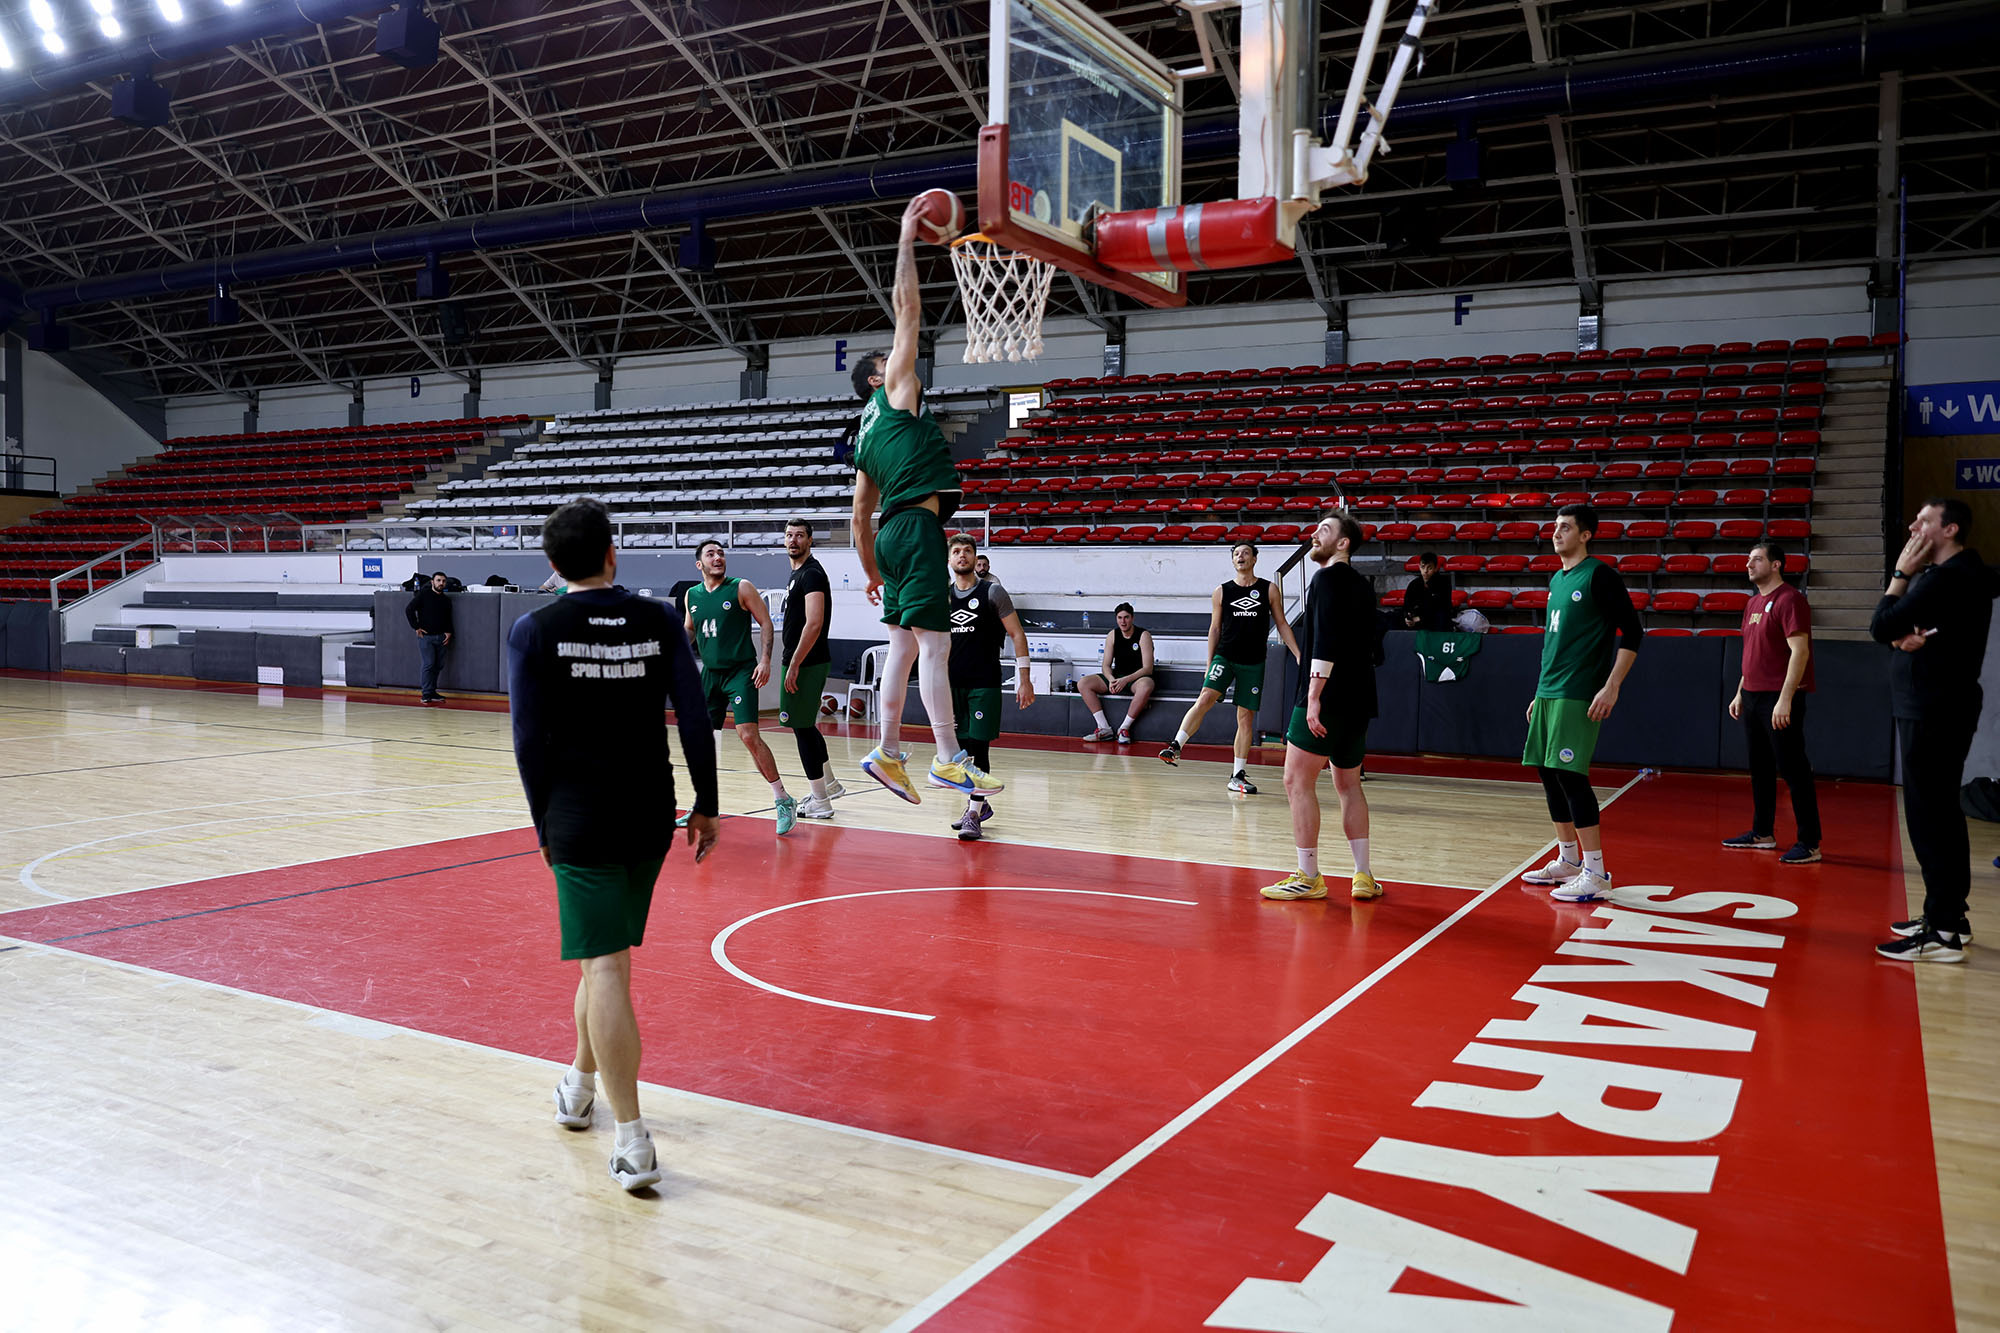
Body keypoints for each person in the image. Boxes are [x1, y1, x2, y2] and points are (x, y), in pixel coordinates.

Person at [507, 498, 719, 1194]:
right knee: (606, 962)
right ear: (612, 554)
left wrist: (542, 824)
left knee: (603, 967)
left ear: (551, 565)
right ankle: (577, 1084)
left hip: (578, 819)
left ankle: (633, 1141)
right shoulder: (659, 618)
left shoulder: (534, 629)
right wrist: (707, 805)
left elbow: (526, 742)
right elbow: (693, 716)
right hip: (649, 816)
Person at [848, 195, 1002, 807]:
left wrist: (869, 573)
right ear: (875, 376)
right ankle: (947, 757)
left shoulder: (863, 433)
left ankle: (887, 749)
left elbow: (860, 514)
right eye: (888, 359)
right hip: (914, 529)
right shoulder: (894, 389)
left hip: (891, 536)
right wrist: (908, 239)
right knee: (935, 647)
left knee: (904, 647)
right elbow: (907, 306)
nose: (900, 357)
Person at [1871, 498, 2000, 963]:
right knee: (1941, 812)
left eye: (1923, 521)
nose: (1912, 527)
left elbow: (1880, 622)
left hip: (1933, 708)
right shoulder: (1961, 575)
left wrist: (1900, 575)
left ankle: (1941, 929)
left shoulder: (1946, 577)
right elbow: (1896, 631)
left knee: (1931, 817)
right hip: (1939, 705)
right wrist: (1898, 636)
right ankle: (1951, 917)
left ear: (1949, 530)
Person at [1519, 503, 1643, 903]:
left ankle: (1596, 872)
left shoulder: (1600, 576)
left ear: (1586, 535)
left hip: (1579, 692)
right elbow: (1552, 645)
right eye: (1555, 526)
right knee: (1548, 772)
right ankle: (1569, 860)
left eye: (1566, 527)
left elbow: (1634, 632)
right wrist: (1538, 694)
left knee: (1572, 776)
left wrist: (1612, 686)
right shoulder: (1557, 579)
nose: (1556, 533)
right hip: (1550, 691)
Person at [1262, 511, 1384, 902]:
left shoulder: (1325, 579)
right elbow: (1375, 649)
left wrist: (1314, 698)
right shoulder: (1364, 589)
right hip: (1359, 699)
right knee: (1348, 785)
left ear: (1343, 543)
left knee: (1297, 781)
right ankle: (1363, 875)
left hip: (1326, 697)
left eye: (1325, 530)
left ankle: (1309, 875)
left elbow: (1326, 643)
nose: (1314, 535)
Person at [1160, 541, 1301, 794]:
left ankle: (1237, 775)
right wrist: (1208, 663)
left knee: (1245, 718)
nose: (1241, 556)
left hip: (1254, 662)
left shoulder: (1268, 589)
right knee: (1205, 697)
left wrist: (1298, 653)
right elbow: (1214, 629)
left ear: (1255, 559)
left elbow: (1281, 624)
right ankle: (1175, 746)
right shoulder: (1221, 591)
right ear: (1233, 561)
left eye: (1245, 552)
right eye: (1236, 553)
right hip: (1224, 656)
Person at [683, 539, 798, 836]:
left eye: (721, 553)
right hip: (710, 673)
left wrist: (765, 661)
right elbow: (690, 629)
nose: (718, 557)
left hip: (740, 671)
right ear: (700, 564)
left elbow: (767, 624)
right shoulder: (691, 595)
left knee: (748, 735)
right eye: (711, 554)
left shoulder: (741, 587)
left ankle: (782, 799)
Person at [1723, 540, 1821, 864]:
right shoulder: (1752, 604)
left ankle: (1810, 842)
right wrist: (1740, 691)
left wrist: (1785, 699)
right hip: (1752, 695)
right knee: (1760, 768)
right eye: (1748, 559)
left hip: (1778, 697)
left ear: (1777, 564)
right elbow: (1752, 655)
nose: (1749, 565)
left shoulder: (1790, 600)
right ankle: (1762, 832)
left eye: (1757, 559)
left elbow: (1800, 651)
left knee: (1793, 769)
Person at [945, 534, 1035, 841]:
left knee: (979, 746)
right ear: (949, 560)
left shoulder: (992, 592)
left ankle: (973, 813)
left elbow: (1017, 634)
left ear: (975, 558)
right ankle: (977, 805)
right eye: (956, 551)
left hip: (984, 682)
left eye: (967, 551)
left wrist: (1024, 678)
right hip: (951, 683)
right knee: (962, 751)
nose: (962, 556)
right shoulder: (943, 596)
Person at [778, 519, 845, 821]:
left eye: (800, 536)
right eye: (789, 535)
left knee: (801, 728)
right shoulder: (798, 574)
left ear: (810, 540)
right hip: (804, 661)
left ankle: (820, 801)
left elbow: (814, 622)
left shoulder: (812, 574)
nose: (794, 540)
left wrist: (794, 663)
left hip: (806, 662)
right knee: (804, 725)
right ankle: (828, 784)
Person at [1078, 603, 1155, 742]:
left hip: (1136, 678)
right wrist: (1111, 679)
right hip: (1117, 677)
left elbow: (1148, 668)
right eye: (1119, 618)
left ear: (1132, 618)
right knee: (1083, 683)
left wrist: (1125, 680)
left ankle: (1124, 729)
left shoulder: (1143, 635)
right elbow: (1106, 665)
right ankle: (1104, 728)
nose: (1123, 621)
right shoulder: (1112, 635)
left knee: (1147, 685)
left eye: (1126, 617)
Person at [406, 570, 453, 704]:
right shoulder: (424, 595)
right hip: (426, 637)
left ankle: (432, 691)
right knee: (429, 664)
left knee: (438, 665)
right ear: (432, 582)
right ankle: (426, 693)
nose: (441, 583)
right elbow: (409, 609)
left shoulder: (446, 600)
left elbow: (448, 618)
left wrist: (449, 632)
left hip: (441, 637)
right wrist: (416, 626)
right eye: (438, 580)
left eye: (443, 581)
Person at [1402, 551, 1455, 631]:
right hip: (1418, 617)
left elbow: (1440, 606)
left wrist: (1420, 618)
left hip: (1436, 618)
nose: (1425, 571)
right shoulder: (1414, 584)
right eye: (1423, 567)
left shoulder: (1444, 582)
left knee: (1441, 616)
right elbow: (1407, 604)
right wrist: (1408, 616)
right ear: (1419, 567)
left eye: (1429, 568)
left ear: (1436, 568)